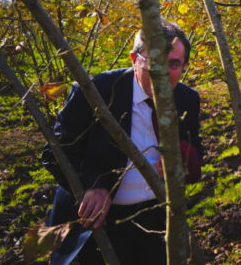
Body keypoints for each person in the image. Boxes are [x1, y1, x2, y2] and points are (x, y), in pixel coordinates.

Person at [42, 21, 202, 264]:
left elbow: (195, 150)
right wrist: (92, 185)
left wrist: (182, 164)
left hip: (155, 219)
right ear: (133, 58)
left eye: (173, 64)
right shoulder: (96, 92)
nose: (162, 73)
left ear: (184, 67)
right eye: (154, 62)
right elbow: (55, 151)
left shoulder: (187, 99)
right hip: (96, 222)